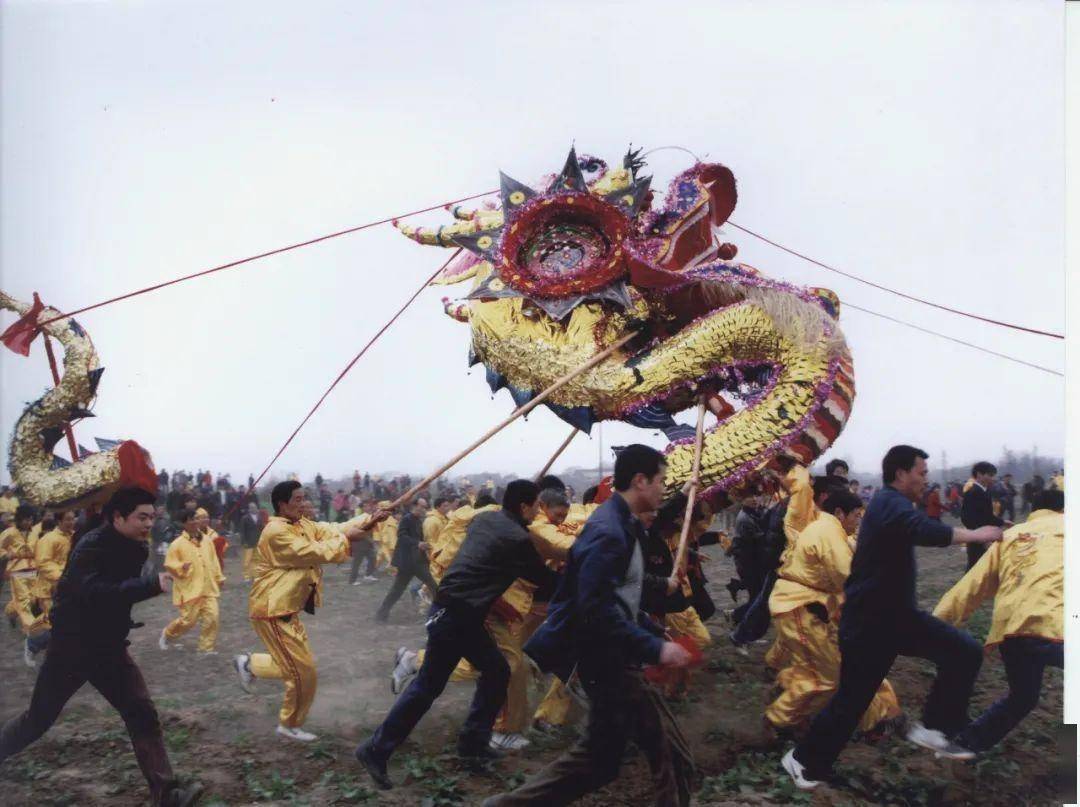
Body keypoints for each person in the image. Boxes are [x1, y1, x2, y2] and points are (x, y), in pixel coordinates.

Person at [781, 445, 1004, 791]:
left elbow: (918, 527)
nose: (925, 479)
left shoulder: (892, 503)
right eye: (921, 472)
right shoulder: (889, 503)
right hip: (872, 623)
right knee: (854, 699)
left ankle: (935, 727)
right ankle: (806, 761)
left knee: (963, 651)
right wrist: (976, 534)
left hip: (892, 619)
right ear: (900, 474)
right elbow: (924, 531)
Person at [482, 445, 695, 807]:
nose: (664, 489)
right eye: (661, 481)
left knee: (626, 758)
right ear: (640, 481)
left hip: (612, 654)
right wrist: (655, 648)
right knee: (644, 759)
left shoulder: (623, 525)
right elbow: (594, 607)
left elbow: (618, 595)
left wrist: (648, 628)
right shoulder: (609, 532)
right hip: (605, 659)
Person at [0, 487, 203, 806]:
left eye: (152, 517)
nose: (148, 524)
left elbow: (119, 593)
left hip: (109, 649)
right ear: (118, 517)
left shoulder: (135, 547)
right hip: (72, 649)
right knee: (38, 720)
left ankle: (167, 794)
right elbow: (93, 593)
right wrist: (147, 585)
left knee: (141, 712)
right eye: (141, 517)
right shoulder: (90, 546)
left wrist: (151, 581)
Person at [356, 481, 557, 789]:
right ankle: (376, 749)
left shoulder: (485, 519)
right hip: (458, 615)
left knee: (495, 671)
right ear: (524, 507)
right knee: (430, 685)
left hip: (457, 611)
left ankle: (472, 746)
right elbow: (543, 580)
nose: (539, 512)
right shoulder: (516, 537)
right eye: (536, 506)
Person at [234, 481, 382, 741]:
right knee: (304, 673)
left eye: (305, 498)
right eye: (298, 499)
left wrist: (373, 517)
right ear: (282, 504)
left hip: (286, 607)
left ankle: (250, 664)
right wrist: (347, 539)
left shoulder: (303, 524)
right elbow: (313, 552)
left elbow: (333, 529)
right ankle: (288, 724)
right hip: (272, 610)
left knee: (294, 666)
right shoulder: (275, 532)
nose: (304, 504)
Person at [932, 489, 1063, 753]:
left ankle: (964, 745)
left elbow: (971, 586)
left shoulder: (1010, 536)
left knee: (1022, 697)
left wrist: (932, 625)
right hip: (1058, 626)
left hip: (1013, 631)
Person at [765, 490, 901, 733]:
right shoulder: (828, 531)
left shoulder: (828, 529)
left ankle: (787, 691)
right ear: (839, 513)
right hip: (799, 606)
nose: (858, 522)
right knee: (825, 678)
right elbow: (847, 575)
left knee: (827, 666)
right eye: (856, 516)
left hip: (807, 605)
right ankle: (778, 721)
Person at [159, 509, 225, 655]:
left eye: (197, 518)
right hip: (190, 589)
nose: (196, 521)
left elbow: (214, 560)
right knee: (188, 621)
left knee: (212, 617)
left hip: (208, 588)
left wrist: (219, 577)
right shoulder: (177, 545)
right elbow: (170, 564)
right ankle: (168, 634)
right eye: (192, 519)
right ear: (184, 523)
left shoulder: (207, 540)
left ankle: (205, 648)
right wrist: (181, 567)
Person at [374, 498, 439, 624]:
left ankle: (439, 613)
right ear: (415, 506)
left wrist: (424, 545)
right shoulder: (407, 519)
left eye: (425, 507)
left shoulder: (419, 520)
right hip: (408, 562)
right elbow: (402, 536)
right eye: (422, 506)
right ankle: (381, 614)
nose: (424, 509)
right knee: (398, 590)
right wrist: (417, 544)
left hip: (418, 561)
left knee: (433, 585)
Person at [961, 461, 1006, 570]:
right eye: (990, 475)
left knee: (983, 567)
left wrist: (1003, 522)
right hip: (977, 537)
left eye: (993, 475)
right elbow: (967, 518)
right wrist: (981, 538)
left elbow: (987, 516)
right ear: (979, 474)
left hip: (983, 535)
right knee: (975, 567)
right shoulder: (973, 492)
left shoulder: (984, 491)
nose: (993, 478)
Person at [1, 505, 38, 632]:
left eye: (31, 519)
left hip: (32, 568)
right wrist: (6, 555)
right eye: (25, 519)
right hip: (17, 569)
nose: (28, 522)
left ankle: (10, 611)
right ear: (19, 519)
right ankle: (32, 630)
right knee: (24, 600)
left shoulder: (35, 532)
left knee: (33, 597)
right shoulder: (10, 532)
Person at [239, 502, 261, 582]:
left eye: (254, 507)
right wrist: (243, 541)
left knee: (257, 559)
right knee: (247, 560)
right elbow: (242, 531)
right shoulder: (245, 518)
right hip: (248, 542)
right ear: (249, 509)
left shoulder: (259, 517)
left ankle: (256, 575)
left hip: (257, 541)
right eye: (251, 507)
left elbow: (261, 529)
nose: (253, 509)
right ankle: (246, 576)